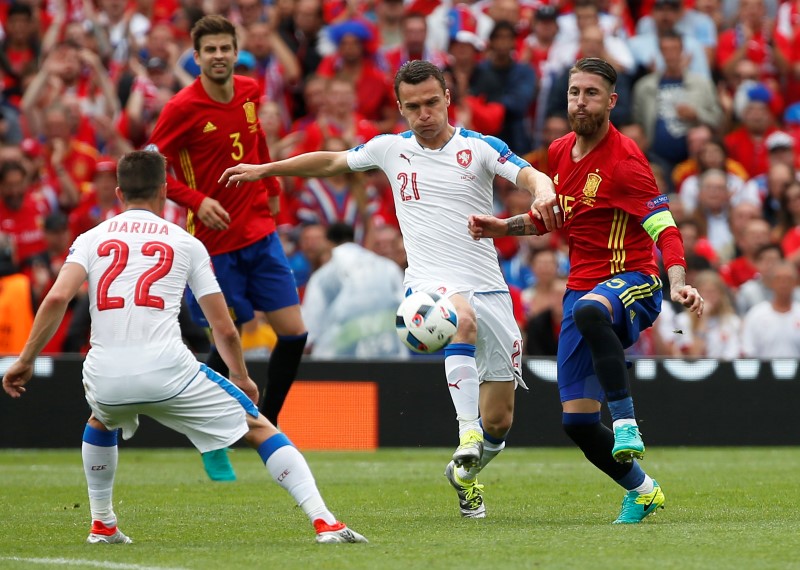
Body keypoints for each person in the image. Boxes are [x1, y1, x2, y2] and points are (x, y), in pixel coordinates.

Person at [219, 59, 560, 519]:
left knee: (500, 420)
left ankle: (465, 473)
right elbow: (332, 161)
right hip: (428, 283)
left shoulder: (479, 148)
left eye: (432, 103)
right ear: (400, 108)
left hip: (489, 287)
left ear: (447, 100)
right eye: (414, 106)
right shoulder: (389, 149)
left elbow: (530, 175)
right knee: (461, 319)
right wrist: (266, 169)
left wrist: (542, 191)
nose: (424, 114)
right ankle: (466, 433)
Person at [1, 150, 367, 545]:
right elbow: (223, 328)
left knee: (100, 420)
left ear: (120, 192)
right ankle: (325, 522)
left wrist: (25, 360)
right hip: (168, 371)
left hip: (103, 373)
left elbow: (56, 299)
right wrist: (241, 376)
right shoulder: (185, 242)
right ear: (164, 191)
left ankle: (102, 524)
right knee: (258, 426)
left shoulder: (89, 239)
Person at [467, 57, 704, 524]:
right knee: (575, 422)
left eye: (591, 93)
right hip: (581, 290)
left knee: (594, 311)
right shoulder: (557, 152)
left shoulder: (626, 161)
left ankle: (626, 421)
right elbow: (551, 217)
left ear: (612, 101)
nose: (580, 101)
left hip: (634, 280)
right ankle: (643, 490)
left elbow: (666, 227)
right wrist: (500, 227)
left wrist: (678, 282)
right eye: (575, 92)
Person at [145, 15, 309, 482]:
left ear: (235, 51)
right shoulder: (181, 107)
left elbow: (256, 142)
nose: (219, 56)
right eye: (209, 49)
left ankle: (266, 423)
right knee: (227, 337)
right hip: (212, 243)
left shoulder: (251, 90)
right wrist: (199, 200)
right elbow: (151, 168)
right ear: (195, 57)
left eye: (225, 48)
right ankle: (210, 435)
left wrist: (272, 186)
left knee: (294, 333)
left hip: (259, 231)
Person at [302, 222, 407, 358]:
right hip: (391, 357)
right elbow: (405, 307)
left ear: (328, 243)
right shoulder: (389, 267)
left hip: (342, 366)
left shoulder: (323, 277)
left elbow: (310, 327)